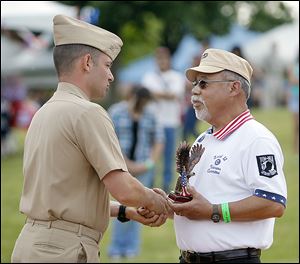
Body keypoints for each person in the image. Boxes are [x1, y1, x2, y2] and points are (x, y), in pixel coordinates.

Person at [11, 14, 169, 263]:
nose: (111, 76)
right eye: (107, 65)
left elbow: (65, 203)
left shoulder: (44, 112)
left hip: (33, 245)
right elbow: (124, 187)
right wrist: (160, 203)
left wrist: (127, 212)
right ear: (87, 62)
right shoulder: (88, 112)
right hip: (63, 251)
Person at [154, 48, 287, 263]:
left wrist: (214, 211)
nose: (194, 90)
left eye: (204, 83)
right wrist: (169, 205)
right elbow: (200, 203)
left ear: (234, 87)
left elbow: (273, 203)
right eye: (195, 83)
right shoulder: (203, 139)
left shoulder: (257, 139)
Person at [107, 85, 164, 258]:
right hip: (120, 168)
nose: (143, 106)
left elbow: (158, 140)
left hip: (143, 169)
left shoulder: (150, 114)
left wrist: (148, 164)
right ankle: (117, 247)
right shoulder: (116, 112)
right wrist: (127, 164)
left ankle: (131, 247)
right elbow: (110, 140)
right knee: (121, 208)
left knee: (141, 209)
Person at [142, 46, 185, 192]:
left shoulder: (176, 76)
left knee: (169, 158)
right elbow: (147, 94)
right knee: (151, 156)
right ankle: (150, 184)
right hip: (153, 123)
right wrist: (165, 95)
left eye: (164, 59)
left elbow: (176, 94)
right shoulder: (149, 76)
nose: (162, 62)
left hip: (171, 122)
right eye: (159, 59)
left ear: (169, 60)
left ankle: (166, 186)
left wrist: (157, 94)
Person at [286, 53, 299, 154]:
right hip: (295, 98)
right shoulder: (294, 67)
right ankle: (295, 148)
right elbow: (292, 80)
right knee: (296, 126)